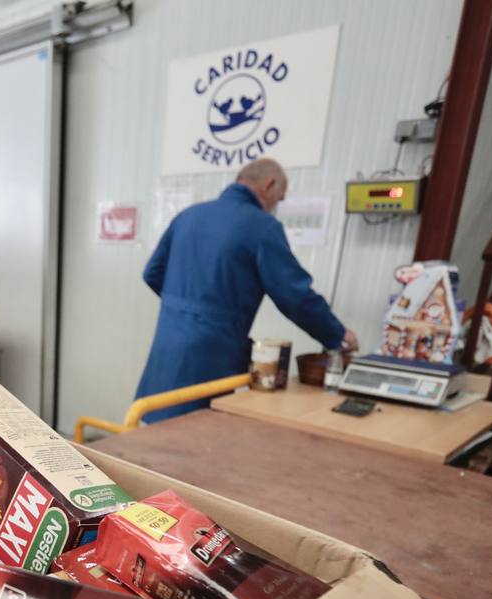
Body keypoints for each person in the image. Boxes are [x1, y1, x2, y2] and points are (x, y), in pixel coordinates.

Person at [134, 157, 358, 423]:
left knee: (153, 422)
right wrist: (337, 334)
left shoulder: (188, 216)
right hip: (212, 354)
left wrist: (186, 306)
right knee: (192, 434)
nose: (277, 206)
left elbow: (152, 273)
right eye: (280, 198)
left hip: (167, 343)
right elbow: (294, 295)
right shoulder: (261, 227)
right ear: (270, 184)